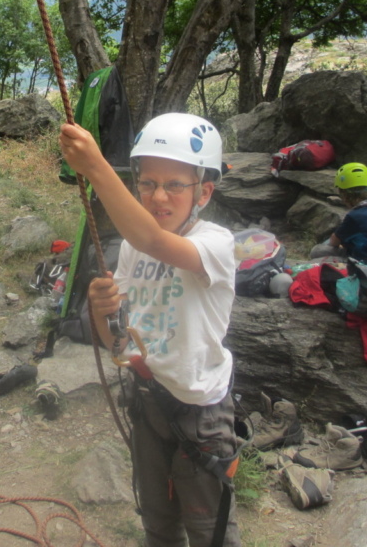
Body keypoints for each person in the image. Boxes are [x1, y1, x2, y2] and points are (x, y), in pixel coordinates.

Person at [59, 113, 241, 547]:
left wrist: (97, 168)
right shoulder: (130, 253)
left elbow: (157, 243)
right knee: (157, 525)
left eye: (175, 185)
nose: (159, 196)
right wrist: (102, 315)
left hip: (200, 414)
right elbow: (119, 345)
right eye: (148, 183)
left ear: (204, 192)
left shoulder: (215, 244)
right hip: (147, 404)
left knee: (210, 533)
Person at [310, 162, 367, 265]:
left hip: (364, 261)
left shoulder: (354, 216)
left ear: (345, 193)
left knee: (316, 251)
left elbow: (334, 241)